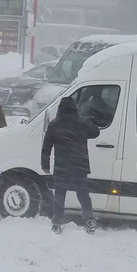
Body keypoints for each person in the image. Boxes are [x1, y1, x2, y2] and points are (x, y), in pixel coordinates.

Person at [41, 97, 100, 235]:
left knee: (60, 195)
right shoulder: (82, 123)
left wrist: (45, 164)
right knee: (83, 194)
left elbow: (46, 146)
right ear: (75, 108)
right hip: (80, 165)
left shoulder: (54, 125)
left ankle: (57, 221)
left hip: (62, 166)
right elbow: (96, 132)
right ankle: (89, 219)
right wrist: (90, 119)